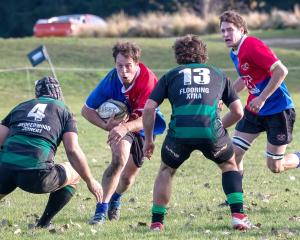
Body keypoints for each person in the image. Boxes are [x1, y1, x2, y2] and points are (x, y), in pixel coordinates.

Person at [143, 34, 253, 231]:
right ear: (204, 54)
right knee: (229, 165)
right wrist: (219, 127)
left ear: (178, 55)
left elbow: (149, 108)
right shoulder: (219, 75)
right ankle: (238, 216)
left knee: (166, 171)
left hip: (179, 135)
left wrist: (148, 140)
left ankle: (157, 223)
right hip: (211, 132)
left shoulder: (171, 75)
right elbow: (238, 112)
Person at [0, 76, 103, 228]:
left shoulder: (20, 107)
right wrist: (90, 180)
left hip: (6, 170)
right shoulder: (64, 110)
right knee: (74, 174)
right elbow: (72, 150)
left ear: (37, 95)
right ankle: (43, 224)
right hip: (37, 177)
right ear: (58, 94)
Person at [81, 41, 165, 225]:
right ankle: (101, 210)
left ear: (136, 63)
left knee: (127, 178)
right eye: (120, 66)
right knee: (119, 159)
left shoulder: (148, 80)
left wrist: (126, 127)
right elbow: (86, 110)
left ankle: (116, 198)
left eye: (128, 66)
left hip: (143, 127)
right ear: (115, 64)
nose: (124, 71)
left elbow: (147, 117)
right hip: (121, 128)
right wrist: (107, 126)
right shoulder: (111, 80)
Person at [219, 10, 299, 177]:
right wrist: (224, 97)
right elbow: (244, 79)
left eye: (230, 29)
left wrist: (262, 98)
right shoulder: (235, 52)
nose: (225, 34)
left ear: (241, 29)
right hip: (254, 110)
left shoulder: (251, 45)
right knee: (234, 154)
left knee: (275, 166)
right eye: (222, 30)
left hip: (278, 109)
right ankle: (236, 199)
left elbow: (281, 71)